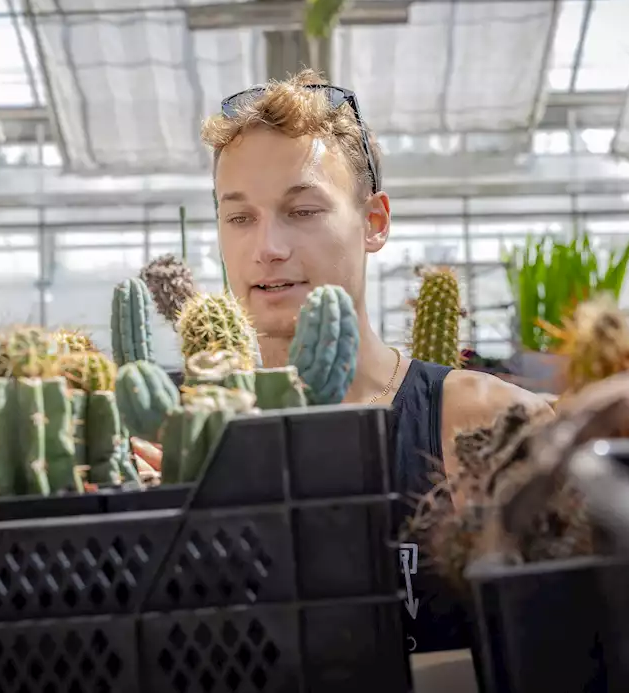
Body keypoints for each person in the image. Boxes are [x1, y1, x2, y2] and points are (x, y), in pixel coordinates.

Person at [200, 68, 553, 503]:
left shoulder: (488, 426)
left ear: (374, 222)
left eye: (303, 211)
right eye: (239, 218)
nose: (267, 248)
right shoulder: (192, 441)